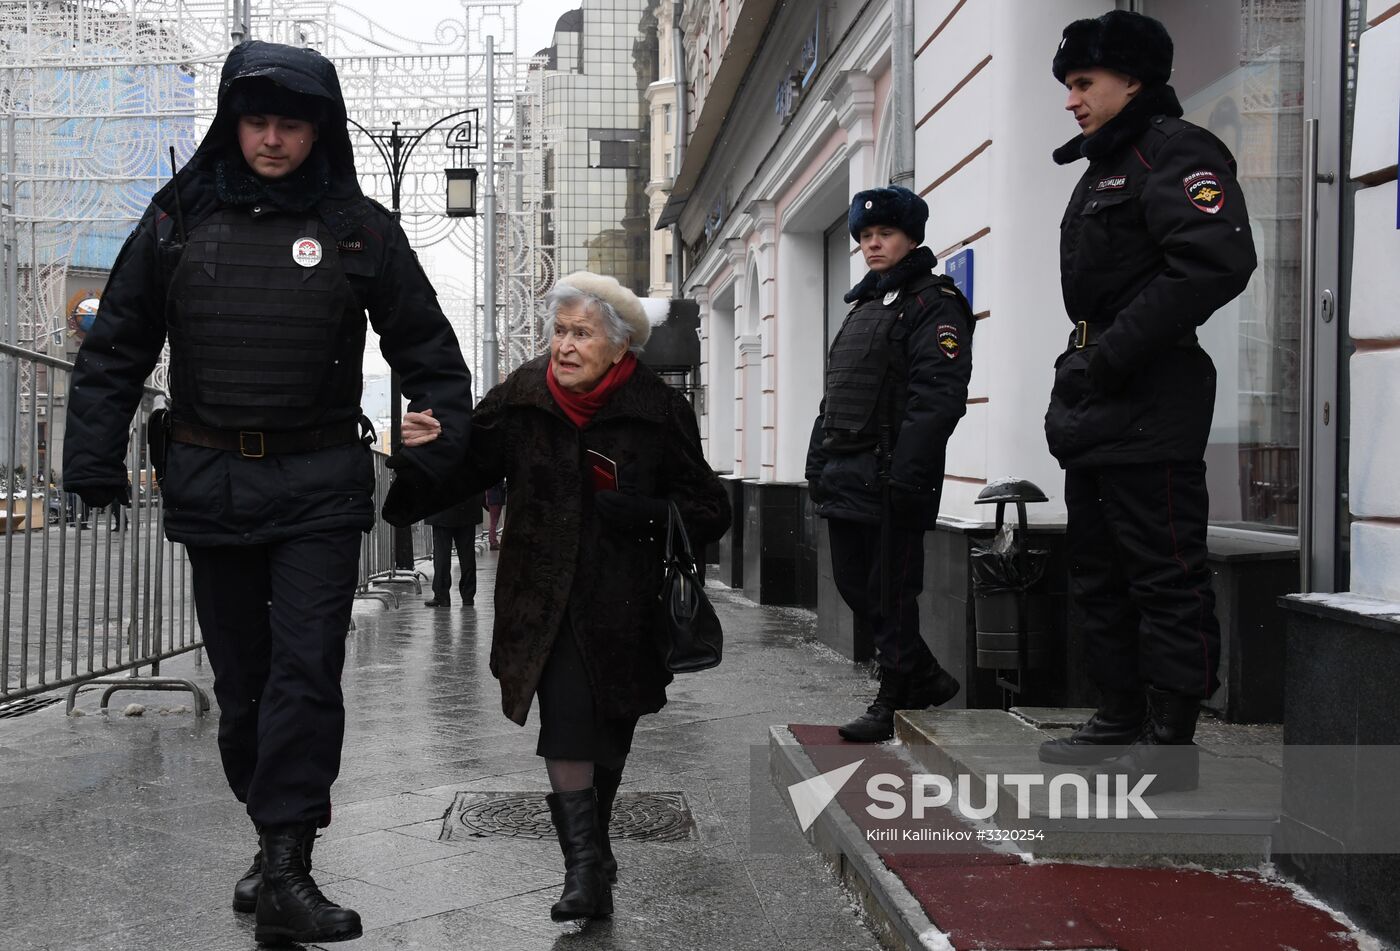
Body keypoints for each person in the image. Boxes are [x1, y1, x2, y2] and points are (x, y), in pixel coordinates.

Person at [61, 41, 473, 943]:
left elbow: (428, 349)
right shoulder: (177, 218)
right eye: (259, 121)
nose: (274, 139)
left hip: (321, 486)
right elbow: (119, 342)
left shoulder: (359, 228)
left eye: (292, 123)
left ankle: (289, 862)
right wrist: (91, 455)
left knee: (304, 672)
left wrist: (441, 434)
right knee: (244, 688)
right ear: (233, 122)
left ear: (316, 129)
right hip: (212, 482)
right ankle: (270, 832)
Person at [393, 271, 730, 921]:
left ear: (620, 343)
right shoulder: (523, 396)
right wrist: (424, 455)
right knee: (567, 727)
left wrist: (645, 511)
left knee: (609, 735)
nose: (565, 346)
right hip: (540, 601)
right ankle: (582, 870)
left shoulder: (658, 409)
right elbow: (466, 470)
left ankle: (595, 850)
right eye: (559, 331)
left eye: (582, 332)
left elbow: (708, 507)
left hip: (626, 605)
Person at [1036, 11, 1257, 792]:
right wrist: (1087, 366)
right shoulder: (1104, 168)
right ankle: (1119, 716)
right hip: (1101, 396)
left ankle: (1169, 747)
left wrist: (1113, 352)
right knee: (1099, 569)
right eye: (1068, 85)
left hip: (1150, 392)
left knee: (1163, 572)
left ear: (1134, 80)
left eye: (1083, 83)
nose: (1071, 100)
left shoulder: (1176, 150)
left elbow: (1215, 262)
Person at [805, 185, 975, 743]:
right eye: (865, 237)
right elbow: (835, 395)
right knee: (858, 586)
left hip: (891, 480)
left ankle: (895, 693)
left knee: (889, 591)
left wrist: (908, 473)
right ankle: (922, 674)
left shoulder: (935, 303)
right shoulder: (862, 309)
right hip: (846, 473)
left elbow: (938, 398)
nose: (873, 245)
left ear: (912, 238)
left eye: (885, 235)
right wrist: (815, 462)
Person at [424, 493, 483, 607]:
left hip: (442, 508)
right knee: (467, 555)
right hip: (467, 506)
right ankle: (468, 596)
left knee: (442, 555)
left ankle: (442, 595)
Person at [484, 478, 506, 549]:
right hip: (495, 500)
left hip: (496, 499)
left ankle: (493, 541)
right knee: (494, 522)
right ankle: (493, 542)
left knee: (494, 522)